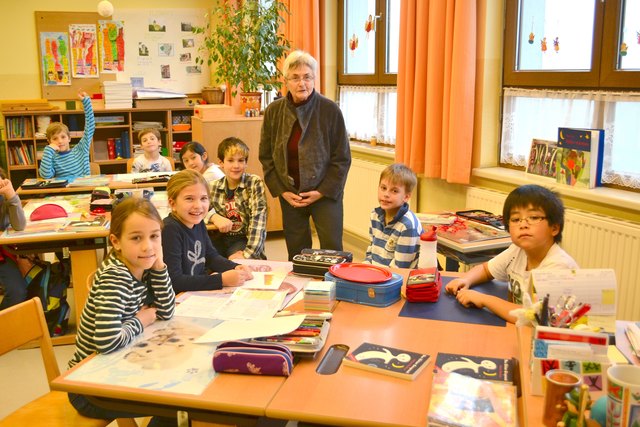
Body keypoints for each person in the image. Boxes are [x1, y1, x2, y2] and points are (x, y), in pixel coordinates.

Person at [67, 197, 177, 426]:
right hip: (88, 388)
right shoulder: (115, 277)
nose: (148, 246)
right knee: (177, 404)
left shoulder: (144, 265)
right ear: (116, 242)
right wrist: (141, 319)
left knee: (178, 392)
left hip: (117, 367)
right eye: (137, 238)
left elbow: (166, 311)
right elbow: (107, 342)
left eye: (154, 236)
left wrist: (159, 266)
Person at [259, 50, 351, 260]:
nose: (302, 83)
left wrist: (321, 191)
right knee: (297, 252)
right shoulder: (274, 112)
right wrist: (282, 190)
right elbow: (266, 156)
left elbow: (342, 158)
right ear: (286, 81)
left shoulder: (330, 110)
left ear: (314, 79)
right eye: (295, 77)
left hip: (325, 193)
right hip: (291, 194)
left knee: (332, 249)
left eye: (307, 77)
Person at [445, 184, 578, 323]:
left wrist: (484, 299)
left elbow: (531, 318)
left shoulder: (559, 266)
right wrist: (465, 280)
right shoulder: (517, 251)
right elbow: (486, 270)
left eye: (533, 217)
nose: (523, 224)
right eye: (515, 219)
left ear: (555, 228)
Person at [162, 169, 253, 292]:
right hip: (179, 299)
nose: (198, 206)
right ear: (172, 203)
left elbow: (211, 256)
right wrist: (221, 280)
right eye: (189, 199)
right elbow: (175, 281)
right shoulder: (169, 229)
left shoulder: (198, 222)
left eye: (203, 198)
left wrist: (236, 267)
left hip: (195, 293)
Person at [209, 137, 267, 260]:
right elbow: (199, 211)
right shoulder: (213, 186)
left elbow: (258, 222)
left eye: (241, 160)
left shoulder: (253, 183)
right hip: (218, 239)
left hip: (242, 240)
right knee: (204, 266)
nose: (236, 165)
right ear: (221, 163)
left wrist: (247, 255)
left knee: (236, 267)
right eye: (230, 160)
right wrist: (213, 216)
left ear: (246, 163)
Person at [363, 163, 423, 268]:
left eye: (394, 191)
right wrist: (365, 268)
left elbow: (400, 269)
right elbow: (371, 251)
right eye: (383, 188)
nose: (386, 194)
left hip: (398, 280)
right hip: (377, 275)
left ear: (406, 197)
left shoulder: (407, 226)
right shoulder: (375, 215)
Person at [39, 91, 95, 179]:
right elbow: (45, 176)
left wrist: (86, 102)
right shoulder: (52, 158)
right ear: (49, 142)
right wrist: (48, 150)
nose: (60, 141)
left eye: (63, 137)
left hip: (84, 188)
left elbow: (90, 127)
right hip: (64, 191)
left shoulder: (81, 149)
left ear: (69, 138)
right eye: (55, 139)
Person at [0, 169, 27, 310]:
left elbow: (19, 225)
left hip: (5, 253)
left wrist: (11, 196)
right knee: (18, 292)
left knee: (21, 290)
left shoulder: (3, 196)